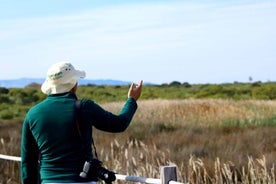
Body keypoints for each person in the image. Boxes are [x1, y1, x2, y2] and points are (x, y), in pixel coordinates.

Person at [20, 62, 143, 184]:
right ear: (74, 84)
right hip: (81, 180)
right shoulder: (84, 107)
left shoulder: (33, 114)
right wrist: (131, 100)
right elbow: (119, 124)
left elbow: (28, 161)